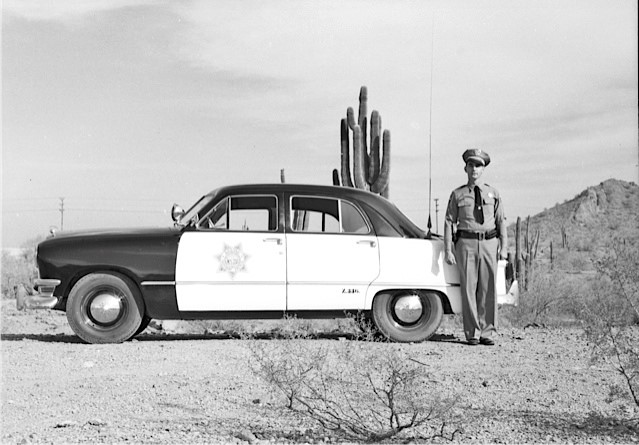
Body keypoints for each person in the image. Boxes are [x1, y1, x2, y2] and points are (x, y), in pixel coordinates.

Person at [444, 148, 507, 346]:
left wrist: (504, 248)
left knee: (488, 289)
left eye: (478, 165)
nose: (474, 169)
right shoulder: (458, 194)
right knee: (469, 288)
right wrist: (448, 249)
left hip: (489, 243)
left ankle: (487, 332)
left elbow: (501, 222)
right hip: (466, 245)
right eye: (471, 165)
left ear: (483, 169)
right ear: (465, 168)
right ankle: (472, 333)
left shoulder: (493, 193)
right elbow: (448, 222)